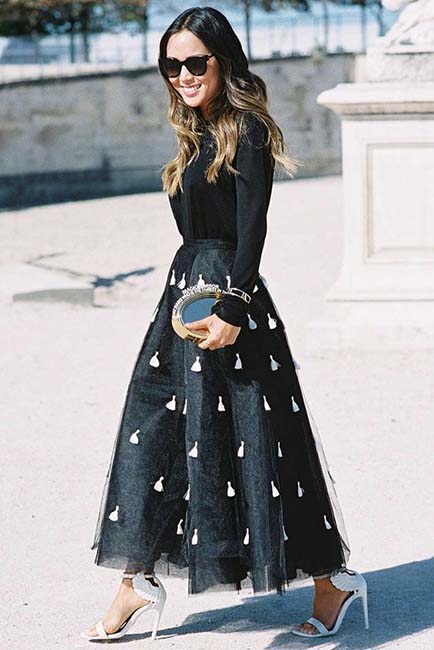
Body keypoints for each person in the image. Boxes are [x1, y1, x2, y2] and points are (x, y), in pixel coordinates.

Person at [81, 6, 369, 642]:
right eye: (171, 65)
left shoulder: (246, 130)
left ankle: (332, 583)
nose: (183, 75)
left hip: (230, 302)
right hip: (182, 300)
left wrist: (234, 307)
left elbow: (252, 225)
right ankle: (135, 580)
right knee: (155, 432)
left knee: (261, 441)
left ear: (223, 61)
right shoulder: (193, 133)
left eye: (195, 62)